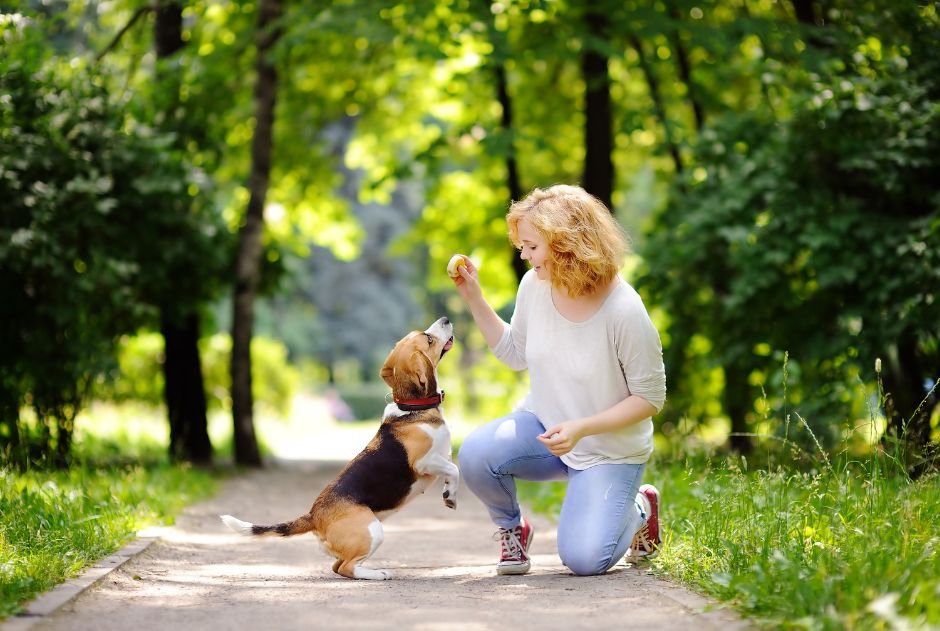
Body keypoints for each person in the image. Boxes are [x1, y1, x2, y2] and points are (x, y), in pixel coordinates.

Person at [450, 184, 666, 576]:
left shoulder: (625, 310)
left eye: (531, 246)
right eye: (522, 245)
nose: (523, 255)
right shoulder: (535, 285)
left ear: (566, 244)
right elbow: (515, 353)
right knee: (477, 455)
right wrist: (474, 298)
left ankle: (640, 507)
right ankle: (512, 531)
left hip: (607, 449)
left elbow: (650, 398)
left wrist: (583, 428)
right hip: (545, 430)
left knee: (584, 560)